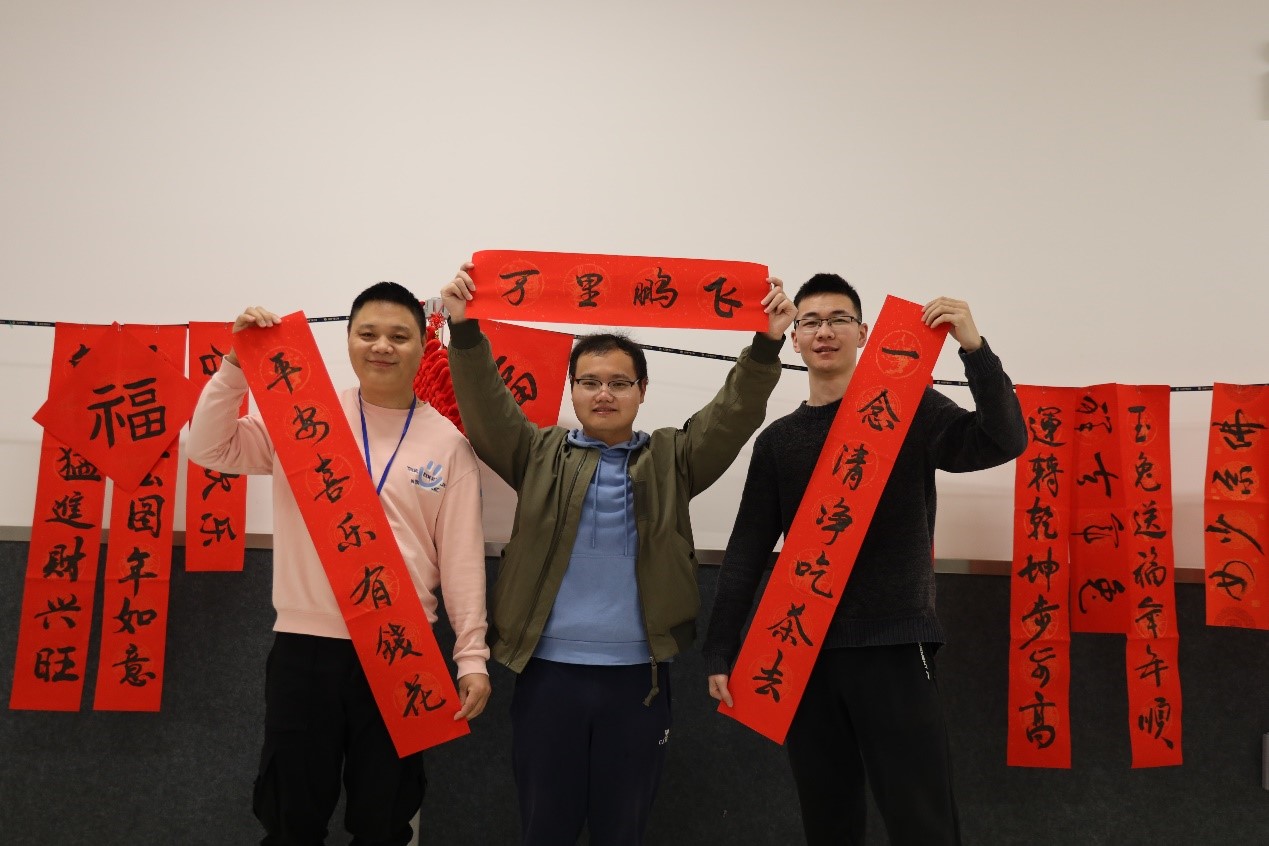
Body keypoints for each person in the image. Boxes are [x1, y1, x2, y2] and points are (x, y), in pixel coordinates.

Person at [441, 261, 795, 845]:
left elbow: (731, 416)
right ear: (572, 389)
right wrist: (464, 329)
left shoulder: (673, 459)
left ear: (641, 391)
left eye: (619, 382)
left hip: (638, 680)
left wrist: (766, 345)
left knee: (622, 831)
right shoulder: (536, 453)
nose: (603, 393)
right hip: (547, 674)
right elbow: (486, 405)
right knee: (545, 829)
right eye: (589, 381)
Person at [702, 274, 1027, 846]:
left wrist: (974, 349)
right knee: (828, 822)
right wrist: (722, 650)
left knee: (922, 821)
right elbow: (747, 552)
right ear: (795, 338)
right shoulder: (778, 441)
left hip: (894, 646)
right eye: (811, 322)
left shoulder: (906, 410)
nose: (824, 331)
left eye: (839, 320)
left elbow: (1004, 440)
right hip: (801, 652)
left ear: (864, 332)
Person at [186, 281, 491, 846]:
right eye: (367, 333)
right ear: (348, 340)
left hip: (401, 647)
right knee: (291, 816)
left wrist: (471, 656)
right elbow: (207, 447)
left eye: (399, 336)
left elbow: (462, 560)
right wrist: (235, 365)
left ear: (422, 345)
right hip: (307, 648)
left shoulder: (448, 443)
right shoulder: (305, 417)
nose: (382, 346)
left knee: (384, 819)